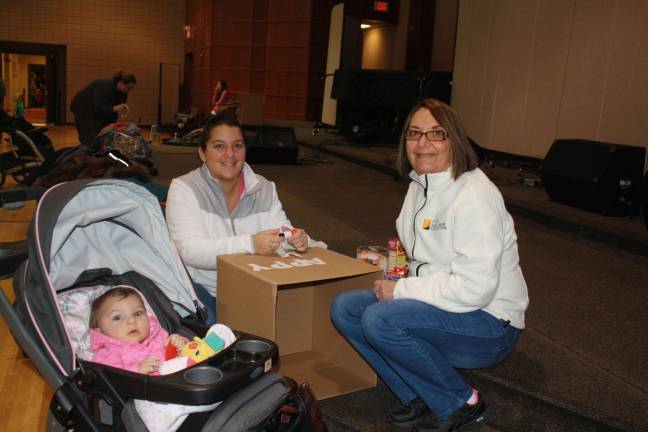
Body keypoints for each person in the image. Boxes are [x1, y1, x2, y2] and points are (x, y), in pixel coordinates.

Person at [330, 98, 529, 432]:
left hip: (492, 324)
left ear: (455, 141)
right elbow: (427, 258)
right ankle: (420, 395)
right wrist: (393, 266)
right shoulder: (419, 184)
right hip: (450, 304)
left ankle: (462, 403)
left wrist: (403, 288)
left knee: (381, 319)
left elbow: (475, 289)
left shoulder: (474, 196)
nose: (423, 143)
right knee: (346, 307)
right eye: (414, 133)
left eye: (436, 134)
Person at [165, 114, 315, 325]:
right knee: (221, 337)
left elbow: (279, 231)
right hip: (205, 288)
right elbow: (191, 250)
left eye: (238, 146)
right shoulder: (184, 188)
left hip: (256, 286)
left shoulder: (264, 187)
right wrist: (250, 243)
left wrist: (294, 237)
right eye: (219, 146)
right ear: (202, 153)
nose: (230, 154)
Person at [89, 287, 219, 431]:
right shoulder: (106, 354)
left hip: (183, 388)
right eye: (117, 317)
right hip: (156, 404)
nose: (131, 320)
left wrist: (179, 345)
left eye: (138, 313)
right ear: (100, 332)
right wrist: (135, 372)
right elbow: (110, 381)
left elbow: (181, 360)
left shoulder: (157, 335)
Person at [70, 70, 135, 149]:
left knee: (103, 131)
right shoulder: (105, 86)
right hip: (83, 106)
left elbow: (114, 111)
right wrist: (114, 109)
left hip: (95, 107)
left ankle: (96, 150)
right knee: (90, 134)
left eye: (131, 88)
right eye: (128, 88)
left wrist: (119, 112)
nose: (129, 91)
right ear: (120, 82)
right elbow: (98, 107)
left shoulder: (123, 93)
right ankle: (87, 152)